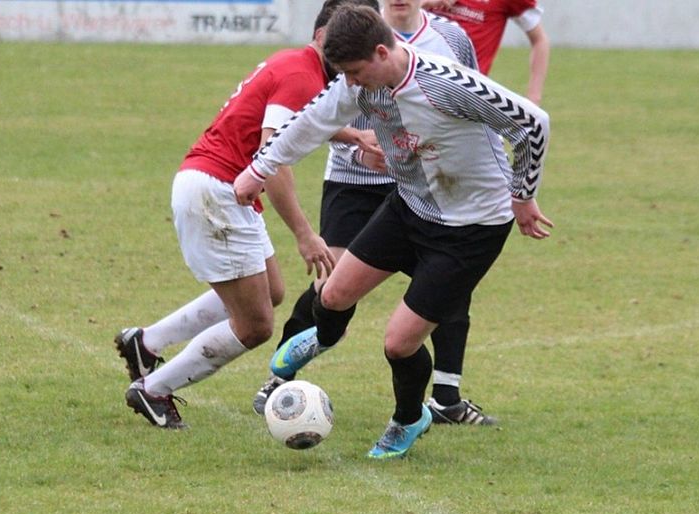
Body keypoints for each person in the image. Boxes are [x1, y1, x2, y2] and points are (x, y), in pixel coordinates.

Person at [234, 4, 553, 458]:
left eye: (355, 72)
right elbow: (309, 123)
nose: (350, 83)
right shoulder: (357, 84)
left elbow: (532, 124)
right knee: (333, 295)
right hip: (409, 206)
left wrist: (522, 195)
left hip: (471, 227)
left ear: (383, 52)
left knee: (399, 343)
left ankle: (409, 418)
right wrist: (258, 169)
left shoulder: (445, 83)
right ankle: (322, 336)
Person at [114, 0, 380, 430]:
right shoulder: (302, 74)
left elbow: (301, 123)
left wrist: (352, 136)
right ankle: (154, 389)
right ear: (321, 35)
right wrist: (304, 233)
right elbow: (272, 152)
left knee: (271, 291)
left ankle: (147, 342)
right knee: (255, 325)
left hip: (218, 187)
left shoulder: (301, 67)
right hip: (217, 191)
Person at [421, 0, 549, 104]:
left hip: (466, 96)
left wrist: (533, 99)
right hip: (416, 88)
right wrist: (423, 3)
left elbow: (539, 40)